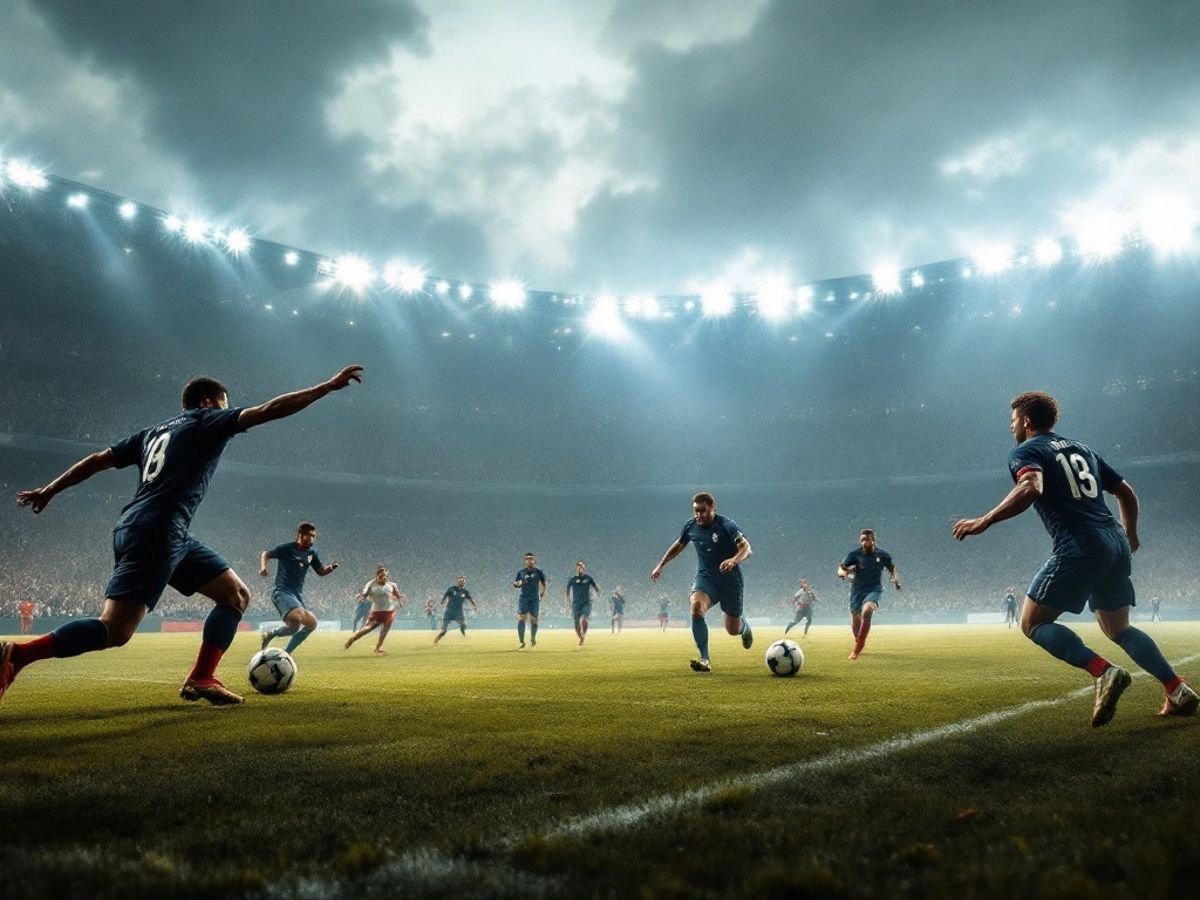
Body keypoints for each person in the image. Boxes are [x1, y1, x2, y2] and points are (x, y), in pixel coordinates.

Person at [2, 365, 363, 707]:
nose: (228, 411)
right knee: (116, 630)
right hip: (157, 530)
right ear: (208, 403)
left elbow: (98, 459)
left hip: (157, 529)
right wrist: (325, 388)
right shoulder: (206, 421)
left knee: (235, 595)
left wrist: (51, 489)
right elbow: (268, 410)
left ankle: (202, 677)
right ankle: (18, 655)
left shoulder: (151, 434)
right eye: (225, 404)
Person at [952, 391, 1198, 724]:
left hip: (1080, 545)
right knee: (1119, 628)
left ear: (1026, 420)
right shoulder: (1082, 448)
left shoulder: (1026, 450)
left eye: (1012, 420)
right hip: (1114, 542)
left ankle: (1104, 671)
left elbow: (1031, 488)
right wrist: (1131, 534)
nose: (1011, 427)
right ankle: (1177, 688)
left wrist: (984, 520)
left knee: (1033, 623)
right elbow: (1126, 492)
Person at [651, 492, 753, 673]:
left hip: (731, 581)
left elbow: (746, 548)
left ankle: (744, 627)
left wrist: (733, 560)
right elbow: (679, 545)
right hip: (706, 579)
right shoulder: (691, 526)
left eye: (702, 511)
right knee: (696, 608)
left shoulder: (726, 525)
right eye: (695, 511)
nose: (698, 515)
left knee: (732, 629)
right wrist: (661, 564)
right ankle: (705, 659)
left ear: (713, 509)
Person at [259, 522, 340, 657]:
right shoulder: (286, 549)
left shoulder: (312, 553)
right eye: (310, 536)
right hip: (282, 592)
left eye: (314, 536)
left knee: (307, 625)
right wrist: (263, 567)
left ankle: (281, 649)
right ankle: (277, 644)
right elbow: (265, 554)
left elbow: (320, 571)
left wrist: (331, 567)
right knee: (298, 616)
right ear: (301, 535)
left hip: (296, 595)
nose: (312, 539)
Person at [838, 529, 901, 660]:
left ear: (873, 540)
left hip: (874, 589)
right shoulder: (854, 555)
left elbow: (892, 568)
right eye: (862, 540)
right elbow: (841, 569)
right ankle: (860, 640)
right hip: (857, 591)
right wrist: (844, 573)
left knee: (867, 612)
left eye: (867, 539)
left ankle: (856, 650)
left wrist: (895, 579)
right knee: (856, 626)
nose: (864, 542)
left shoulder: (883, 555)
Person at [345, 566, 405, 654]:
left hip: (384, 611)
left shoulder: (376, 584)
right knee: (373, 628)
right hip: (383, 611)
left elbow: (397, 596)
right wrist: (400, 601)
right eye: (383, 575)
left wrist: (400, 601)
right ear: (379, 576)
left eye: (385, 575)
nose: (385, 577)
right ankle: (372, 646)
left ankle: (375, 646)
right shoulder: (378, 585)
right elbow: (398, 596)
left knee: (376, 628)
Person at [512, 552, 546, 648]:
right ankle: (522, 642)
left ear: (534, 560)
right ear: (525, 561)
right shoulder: (521, 572)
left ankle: (533, 638)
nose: (529, 560)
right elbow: (518, 583)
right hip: (523, 598)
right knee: (521, 618)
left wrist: (542, 593)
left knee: (534, 620)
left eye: (531, 559)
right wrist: (517, 585)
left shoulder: (539, 572)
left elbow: (544, 584)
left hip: (534, 598)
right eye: (527, 559)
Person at [434, 574, 476, 644]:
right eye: (460, 581)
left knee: (464, 625)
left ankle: (462, 629)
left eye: (463, 581)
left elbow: (470, 598)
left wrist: (474, 605)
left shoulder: (465, 592)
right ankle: (437, 639)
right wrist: (443, 600)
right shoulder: (451, 589)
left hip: (458, 613)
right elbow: (445, 595)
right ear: (457, 582)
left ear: (464, 583)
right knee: (444, 631)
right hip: (449, 612)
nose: (462, 582)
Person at [566, 561, 599, 647]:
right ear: (576, 568)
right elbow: (567, 590)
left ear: (584, 568)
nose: (581, 568)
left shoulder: (588, 578)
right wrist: (569, 601)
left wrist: (595, 596)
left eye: (582, 567)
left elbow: (596, 588)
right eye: (579, 566)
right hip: (576, 604)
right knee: (577, 627)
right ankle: (581, 638)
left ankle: (583, 635)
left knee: (583, 619)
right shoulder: (572, 579)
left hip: (586, 602)